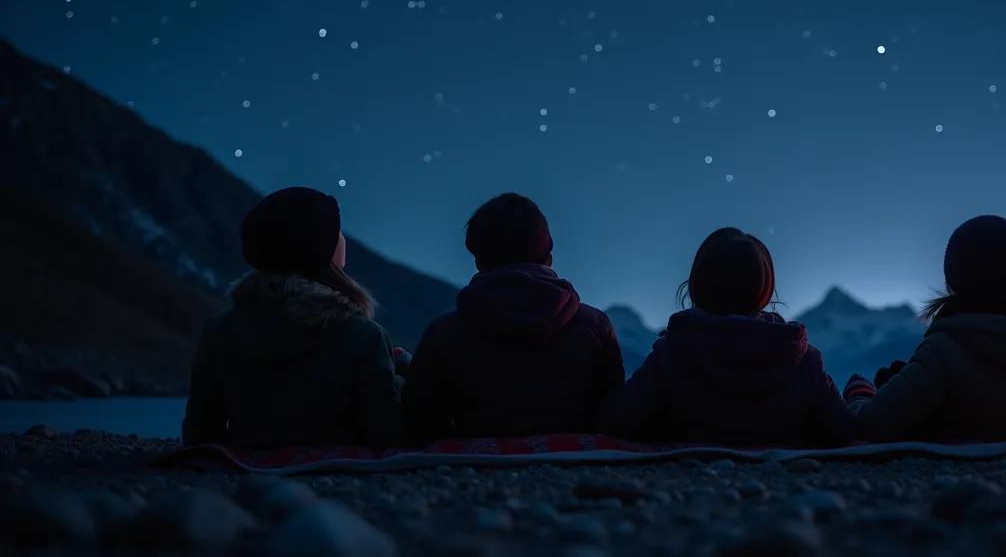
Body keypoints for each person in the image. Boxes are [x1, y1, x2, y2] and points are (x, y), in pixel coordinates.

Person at [182, 187, 407, 450]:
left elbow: (200, 433)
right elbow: (387, 436)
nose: (343, 238)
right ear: (322, 249)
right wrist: (404, 378)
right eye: (337, 231)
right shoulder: (364, 336)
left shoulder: (219, 330)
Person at [844, 215, 1006, 443]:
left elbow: (871, 426)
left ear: (952, 280)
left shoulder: (944, 348)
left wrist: (861, 394)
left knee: (858, 382)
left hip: (945, 479)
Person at [599, 227, 855, 447]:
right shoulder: (802, 357)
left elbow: (619, 422)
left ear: (697, 283)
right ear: (764, 288)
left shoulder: (672, 352)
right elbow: (840, 431)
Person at [403, 193, 624, 443]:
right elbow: (614, 413)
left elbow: (421, 421)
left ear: (477, 261)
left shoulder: (443, 332)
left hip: (475, 470)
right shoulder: (594, 325)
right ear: (548, 257)